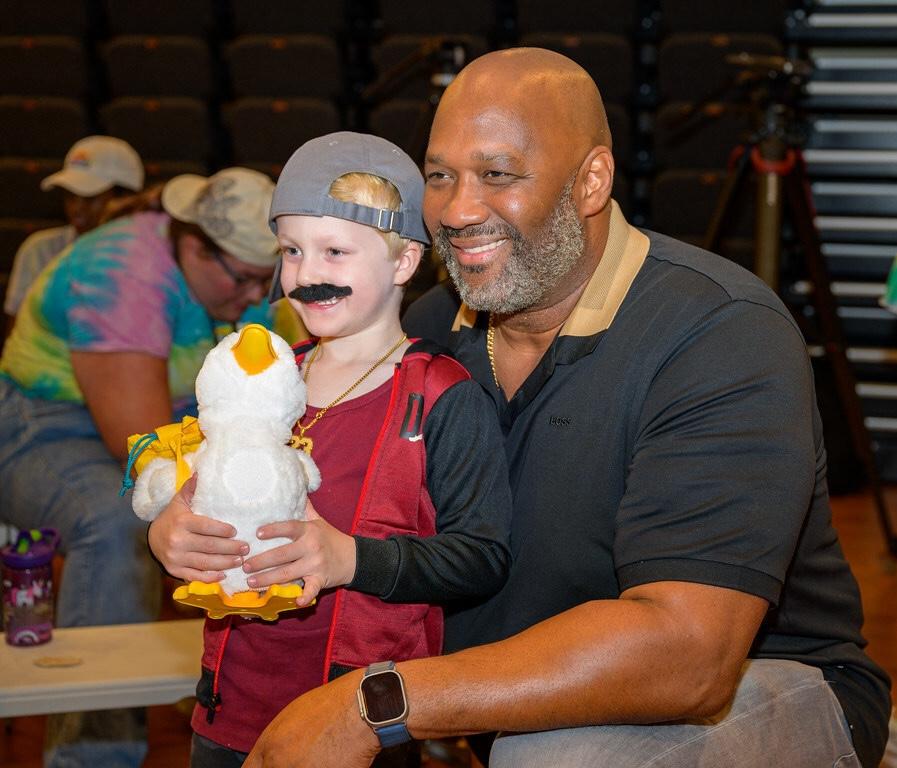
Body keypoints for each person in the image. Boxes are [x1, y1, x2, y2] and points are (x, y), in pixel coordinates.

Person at [242, 48, 893, 768]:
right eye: (439, 176)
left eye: (497, 174)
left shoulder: (718, 331)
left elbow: (689, 658)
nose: (456, 210)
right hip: (510, 705)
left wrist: (376, 703)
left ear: (590, 180)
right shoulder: (422, 332)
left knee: (557, 758)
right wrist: (187, 526)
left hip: (778, 685)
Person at [145, 132, 512, 767]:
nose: (306, 274)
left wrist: (350, 559)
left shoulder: (443, 397)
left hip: (359, 730)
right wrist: (168, 535)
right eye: (291, 250)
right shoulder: (258, 377)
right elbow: (193, 484)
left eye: (334, 251)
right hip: (227, 712)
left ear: (403, 263)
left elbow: (482, 558)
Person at [0, 167, 295, 768]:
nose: (250, 299)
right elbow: (141, 446)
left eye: (266, 283)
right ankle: (91, 755)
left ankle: (255, 711)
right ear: (192, 245)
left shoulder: (231, 276)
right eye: (242, 280)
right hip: (44, 423)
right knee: (116, 521)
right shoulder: (122, 273)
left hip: (178, 424)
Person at [3, 135, 145, 336]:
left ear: (126, 200)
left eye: (90, 198)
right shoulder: (40, 250)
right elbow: (16, 340)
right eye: (70, 195)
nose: (76, 208)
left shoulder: (151, 261)